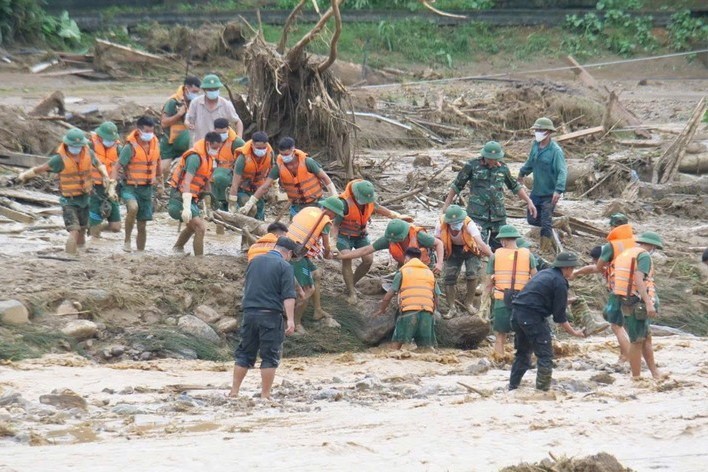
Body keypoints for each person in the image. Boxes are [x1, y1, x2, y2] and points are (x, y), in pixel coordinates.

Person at [12, 128, 115, 254]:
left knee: (83, 229)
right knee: (74, 230)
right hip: (69, 200)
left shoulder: (88, 153)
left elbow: (99, 165)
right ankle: (69, 258)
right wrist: (24, 175)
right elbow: (41, 169)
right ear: (67, 145)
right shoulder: (59, 159)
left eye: (79, 146)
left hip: (85, 198)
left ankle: (81, 254)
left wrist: (105, 175)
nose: (76, 148)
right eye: (73, 146)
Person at [229, 236, 298, 399]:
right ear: (288, 253)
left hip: (249, 314)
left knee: (244, 353)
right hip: (270, 316)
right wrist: (291, 320)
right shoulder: (285, 266)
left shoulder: (255, 261)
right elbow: (289, 296)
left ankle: (234, 391)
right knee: (270, 355)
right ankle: (265, 395)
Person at [509, 252, 585, 391]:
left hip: (517, 315)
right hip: (533, 318)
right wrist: (574, 332)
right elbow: (559, 316)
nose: (572, 271)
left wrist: (567, 301)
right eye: (572, 268)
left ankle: (513, 387)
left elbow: (540, 297)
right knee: (545, 355)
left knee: (523, 353)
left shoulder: (544, 274)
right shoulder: (560, 282)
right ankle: (542, 391)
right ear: (567, 268)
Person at [330, 179, 413, 305]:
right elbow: (335, 225)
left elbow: (379, 208)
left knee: (368, 261)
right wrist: (332, 243)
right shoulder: (344, 203)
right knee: (346, 259)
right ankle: (352, 292)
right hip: (344, 235)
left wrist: (397, 216)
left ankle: (350, 284)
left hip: (361, 235)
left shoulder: (369, 200)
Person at [442, 141, 536, 252]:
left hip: (498, 215)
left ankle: (496, 267)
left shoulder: (503, 168)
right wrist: (446, 205)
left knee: (502, 248)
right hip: (477, 214)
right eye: (490, 159)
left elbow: (514, 186)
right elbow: (457, 185)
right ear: (484, 156)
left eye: (495, 159)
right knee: (476, 246)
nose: (492, 161)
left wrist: (529, 201)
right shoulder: (472, 166)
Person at [575, 213, 634, 363]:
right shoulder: (635, 243)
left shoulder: (611, 246)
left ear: (613, 227)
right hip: (637, 289)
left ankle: (627, 357)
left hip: (619, 289)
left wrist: (577, 272)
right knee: (627, 324)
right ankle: (625, 355)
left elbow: (597, 268)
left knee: (616, 325)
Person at [612, 232, 667, 380]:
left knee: (645, 337)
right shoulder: (644, 256)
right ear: (653, 246)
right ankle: (636, 377)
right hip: (636, 301)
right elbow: (638, 278)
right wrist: (649, 303)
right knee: (637, 341)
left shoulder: (627, 253)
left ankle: (655, 373)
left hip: (625, 298)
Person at [239, 137, 338, 218]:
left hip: (316, 203)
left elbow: (325, 179)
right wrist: (250, 203)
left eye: (286, 154)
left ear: (293, 150)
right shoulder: (278, 168)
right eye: (281, 155)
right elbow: (264, 186)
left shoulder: (308, 162)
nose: (284, 157)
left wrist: (334, 196)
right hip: (297, 206)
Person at [286, 196, 345, 332]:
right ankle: (295, 322)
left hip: (290, 248)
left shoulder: (309, 210)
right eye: (335, 214)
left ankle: (317, 310)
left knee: (316, 274)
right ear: (331, 211)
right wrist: (328, 255)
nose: (335, 217)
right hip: (295, 256)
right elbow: (326, 246)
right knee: (307, 290)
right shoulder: (325, 221)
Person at [517, 117, 568, 254]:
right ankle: (560, 222)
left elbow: (562, 171)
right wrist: (521, 174)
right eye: (536, 130)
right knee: (532, 219)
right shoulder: (535, 146)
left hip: (549, 193)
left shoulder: (555, 151)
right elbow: (530, 163)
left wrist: (559, 190)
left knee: (545, 223)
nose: (538, 132)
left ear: (548, 132)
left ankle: (544, 250)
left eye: (541, 130)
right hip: (536, 191)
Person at [374, 247, 441, 351]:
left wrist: (382, 309)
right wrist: (433, 312)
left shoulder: (402, 273)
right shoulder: (430, 274)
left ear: (406, 259)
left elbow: (389, 295)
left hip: (409, 313)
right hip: (427, 314)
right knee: (426, 350)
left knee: (395, 348)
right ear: (420, 259)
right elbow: (436, 298)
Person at [111, 116, 162, 253]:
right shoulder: (130, 147)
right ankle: (127, 240)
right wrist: (112, 186)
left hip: (147, 189)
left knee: (142, 224)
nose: (149, 134)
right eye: (146, 131)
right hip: (130, 187)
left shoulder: (155, 144)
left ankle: (141, 252)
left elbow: (157, 164)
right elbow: (117, 167)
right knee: (133, 208)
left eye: (152, 131)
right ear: (139, 130)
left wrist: (160, 181)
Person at [486, 225, 537, 357]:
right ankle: (525, 360)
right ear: (515, 238)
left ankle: (499, 360)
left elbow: (488, 283)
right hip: (523, 299)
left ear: (503, 240)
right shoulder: (528, 255)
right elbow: (536, 280)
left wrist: (484, 302)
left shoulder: (495, 256)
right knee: (525, 332)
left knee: (500, 335)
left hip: (502, 298)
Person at [167, 132, 222, 256]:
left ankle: (178, 247)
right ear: (207, 144)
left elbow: (207, 182)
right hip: (180, 197)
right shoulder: (195, 158)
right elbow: (186, 182)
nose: (216, 150)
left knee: (192, 227)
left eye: (218, 148)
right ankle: (199, 259)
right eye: (214, 148)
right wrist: (186, 207)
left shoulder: (210, 159)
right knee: (200, 227)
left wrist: (209, 204)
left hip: (193, 198)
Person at [435, 204, 492, 319]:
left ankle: (469, 303)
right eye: (454, 223)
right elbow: (437, 242)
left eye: (458, 222)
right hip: (452, 249)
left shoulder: (469, 224)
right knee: (449, 277)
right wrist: (439, 261)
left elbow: (480, 243)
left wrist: (492, 256)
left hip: (470, 248)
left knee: (472, 273)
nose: (456, 225)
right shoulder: (441, 224)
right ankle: (452, 307)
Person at [337, 219, 444, 275]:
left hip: (424, 263)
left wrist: (439, 264)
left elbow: (439, 243)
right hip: (405, 262)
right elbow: (367, 249)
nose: (394, 241)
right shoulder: (388, 239)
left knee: (429, 284)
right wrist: (343, 256)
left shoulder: (419, 236)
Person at [159, 76, 201, 180]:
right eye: (194, 91)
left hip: (185, 140)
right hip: (169, 141)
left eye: (197, 92)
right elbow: (164, 123)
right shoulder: (173, 102)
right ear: (186, 88)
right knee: (163, 170)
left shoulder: (194, 103)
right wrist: (179, 114)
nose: (195, 94)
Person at [228, 131, 274, 220]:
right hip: (242, 189)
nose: (261, 150)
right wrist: (232, 202)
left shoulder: (270, 153)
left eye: (264, 147)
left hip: (259, 188)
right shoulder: (242, 158)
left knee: (260, 213)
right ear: (252, 145)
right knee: (251, 209)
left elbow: (272, 172)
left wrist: (274, 188)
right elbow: (235, 183)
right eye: (258, 148)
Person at [185, 74, 243, 144]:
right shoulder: (195, 103)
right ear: (204, 90)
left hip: (221, 146)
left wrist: (239, 139)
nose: (213, 91)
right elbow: (188, 119)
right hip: (201, 144)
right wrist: (188, 124)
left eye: (215, 89)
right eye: (210, 89)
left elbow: (238, 122)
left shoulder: (226, 104)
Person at [88, 121, 122, 238]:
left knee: (116, 227)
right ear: (100, 137)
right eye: (108, 139)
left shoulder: (118, 148)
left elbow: (123, 165)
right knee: (95, 233)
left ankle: (93, 229)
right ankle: (93, 230)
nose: (110, 142)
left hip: (110, 188)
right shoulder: (89, 146)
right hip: (93, 189)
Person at [211, 118, 246, 210]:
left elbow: (245, 161)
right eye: (218, 133)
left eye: (223, 132)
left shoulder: (237, 142)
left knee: (219, 178)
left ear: (228, 128)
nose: (221, 135)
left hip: (231, 174)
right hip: (215, 173)